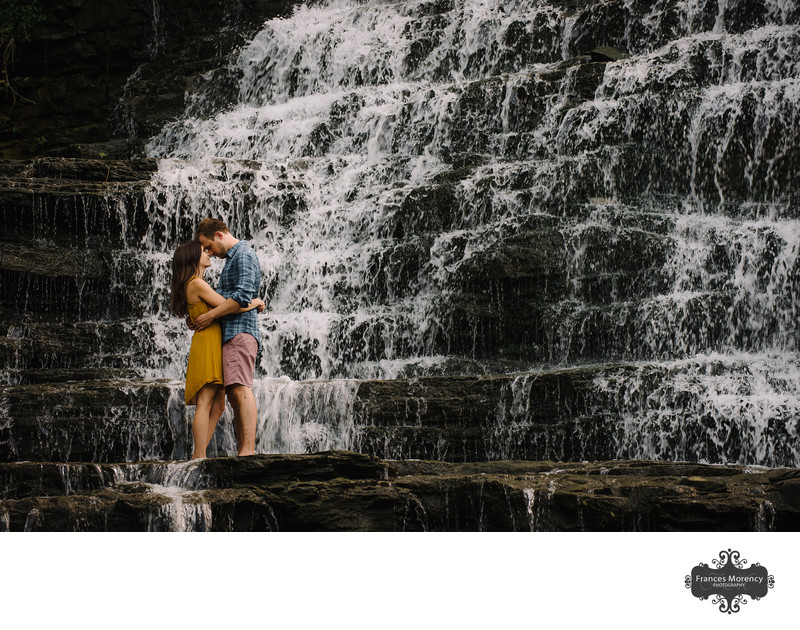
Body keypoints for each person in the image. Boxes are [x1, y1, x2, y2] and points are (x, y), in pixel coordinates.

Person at [170, 240, 264, 459]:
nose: (209, 253)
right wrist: (256, 301)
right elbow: (227, 304)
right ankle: (199, 455)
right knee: (205, 401)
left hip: (214, 341)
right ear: (193, 258)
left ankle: (199, 453)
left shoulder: (196, 283)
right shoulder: (197, 284)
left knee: (219, 405)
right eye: (204, 251)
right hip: (207, 344)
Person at [191, 218, 262, 456]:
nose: (209, 252)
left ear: (219, 235)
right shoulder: (233, 260)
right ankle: (244, 450)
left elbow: (242, 296)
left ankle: (247, 452)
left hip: (239, 332)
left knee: (241, 390)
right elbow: (230, 299)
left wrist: (210, 316)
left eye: (208, 245)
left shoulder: (243, 255)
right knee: (234, 392)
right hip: (230, 333)